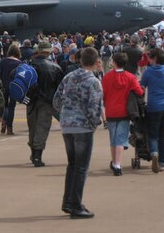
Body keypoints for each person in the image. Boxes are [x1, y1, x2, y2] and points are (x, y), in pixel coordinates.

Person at [53, 47, 103, 219]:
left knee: (72, 165)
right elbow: (94, 107)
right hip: (82, 126)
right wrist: (94, 123)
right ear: (95, 62)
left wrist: (65, 114)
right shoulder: (93, 81)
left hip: (67, 125)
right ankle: (75, 205)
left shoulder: (69, 77)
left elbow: (56, 100)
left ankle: (68, 202)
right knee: (81, 167)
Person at [101, 53, 144, 176]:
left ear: (114, 62)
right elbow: (139, 91)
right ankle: (117, 164)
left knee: (113, 139)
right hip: (124, 112)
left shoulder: (107, 77)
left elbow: (103, 94)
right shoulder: (130, 77)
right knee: (120, 139)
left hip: (110, 111)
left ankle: (115, 161)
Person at [27, 40, 64, 167]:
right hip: (47, 101)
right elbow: (60, 88)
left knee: (32, 127)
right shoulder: (55, 67)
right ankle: (37, 156)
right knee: (42, 128)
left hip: (30, 101)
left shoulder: (28, 64)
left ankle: (33, 153)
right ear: (48, 52)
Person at [140, 48, 164, 173]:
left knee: (153, 135)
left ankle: (154, 152)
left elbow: (141, 89)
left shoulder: (148, 72)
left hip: (154, 107)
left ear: (154, 59)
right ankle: (161, 162)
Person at [0, 44, 22, 135]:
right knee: (12, 107)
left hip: (4, 85)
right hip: (14, 87)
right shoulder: (19, 63)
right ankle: (9, 127)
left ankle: (3, 121)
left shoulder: (3, 61)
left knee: (5, 106)